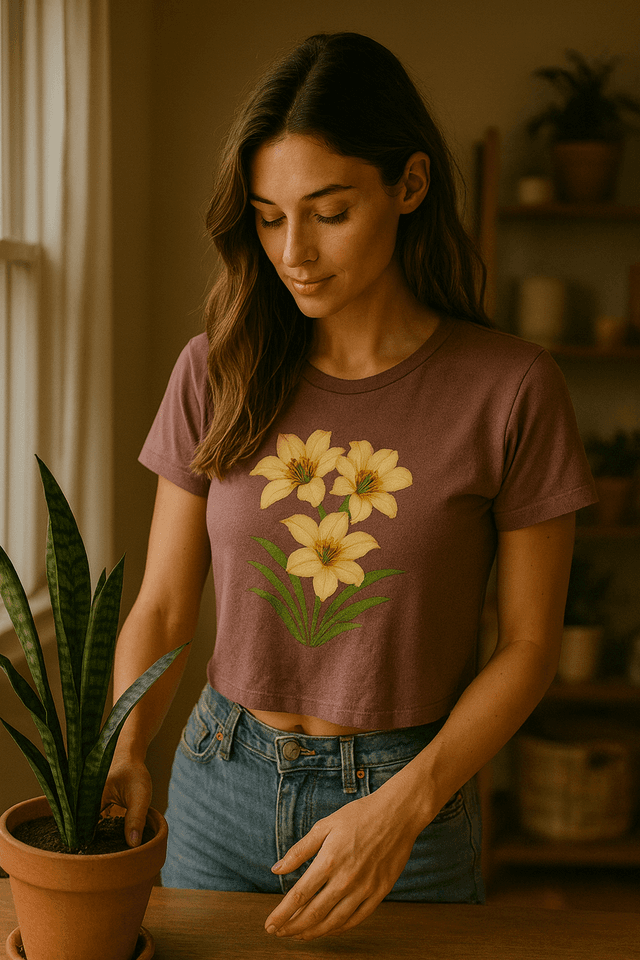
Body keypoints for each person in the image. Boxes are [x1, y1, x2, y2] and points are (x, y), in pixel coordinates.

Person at [102, 32, 598, 942]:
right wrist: (125, 747)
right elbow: (165, 607)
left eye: (329, 212)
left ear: (408, 186)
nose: (294, 251)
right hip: (218, 785)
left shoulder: (512, 388)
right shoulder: (217, 371)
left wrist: (407, 805)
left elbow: (529, 647)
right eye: (267, 215)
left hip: (410, 806)